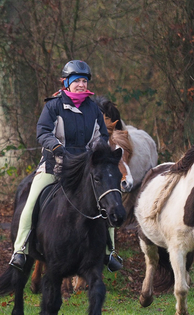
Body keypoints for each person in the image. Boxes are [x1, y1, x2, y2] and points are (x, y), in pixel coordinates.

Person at [9, 60, 123, 272]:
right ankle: (20, 249)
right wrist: (57, 147)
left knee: (107, 201)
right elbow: (43, 132)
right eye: (76, 81)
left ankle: (110, 252)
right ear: (66, 83)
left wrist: (96, 151)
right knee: (31, 201)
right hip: (55, 165)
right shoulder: (53, 106)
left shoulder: (94, 110)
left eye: (84, 81)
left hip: (84, 169)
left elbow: (102, 136)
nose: (81, 84)